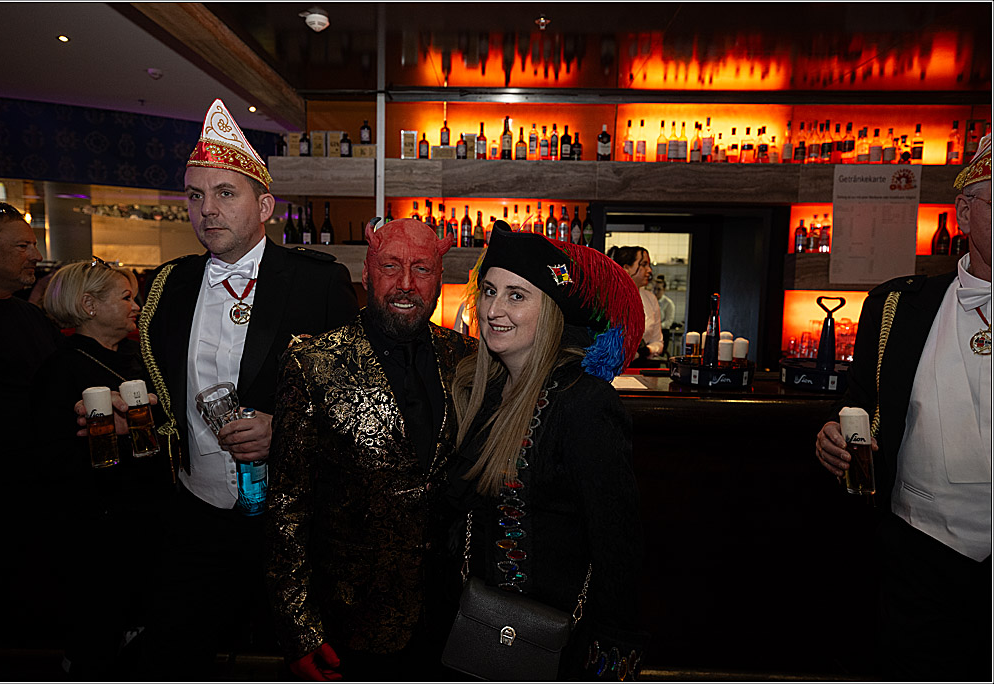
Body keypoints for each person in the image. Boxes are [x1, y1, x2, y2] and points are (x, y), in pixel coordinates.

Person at [76, 98, 360, 679]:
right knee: (175, 655)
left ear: (265, 205)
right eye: (195, 195)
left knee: (306, 662)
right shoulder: (167, 285)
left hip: (294, 521)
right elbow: (160, 387)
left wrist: (287, 429)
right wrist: (132, 415)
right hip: (196, 511)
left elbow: (357, 397)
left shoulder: (317, 282)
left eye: (225, 193)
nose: (207, 210)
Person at [266, 218, 476, 681]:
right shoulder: (313, 363)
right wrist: (298, 627)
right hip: (351, 623)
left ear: (441, 278)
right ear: (366, 273)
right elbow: (287, 506)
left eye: (421, 268)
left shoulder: (469, 358)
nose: (406, 284)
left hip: (453, 619)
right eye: (390, 266)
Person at [815, 135, 991, 681]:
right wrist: (831, 436)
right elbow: (858, 406)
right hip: (920, 557)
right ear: (964, 212)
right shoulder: (897, 306)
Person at [447, 224, 649, 680]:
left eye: (517, 296)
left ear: (552, 311)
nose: (494, 309)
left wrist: (612, 654)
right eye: (490, 291)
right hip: (477, 636)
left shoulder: (585, 403)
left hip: (553, 651)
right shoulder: (482, 389)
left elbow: (618, 543)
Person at [33, 259, 167, 678]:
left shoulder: (138, 358)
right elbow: (48, 458)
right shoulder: (63, 368)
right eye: (126, 297)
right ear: (89, 304)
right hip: (98, 535)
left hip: (146, 523)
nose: (137, 305)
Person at [0, 201, 67, 647]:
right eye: (21, 246)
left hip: (38, 496)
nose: (35, 255)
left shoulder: (31, 317)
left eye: (34, 245)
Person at [608, 245, 662, 363]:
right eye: (643, 264)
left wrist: (647, 350)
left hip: (640, 367)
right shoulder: (608, 298)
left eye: (649, 265)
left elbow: (658, 341)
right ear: (626, 268)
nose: (649, 270)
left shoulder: (650, 298)